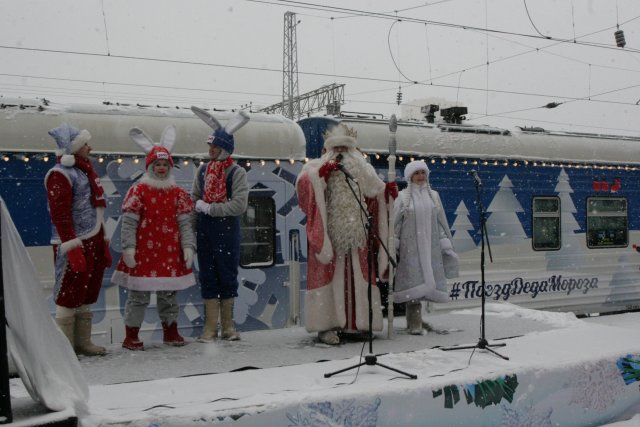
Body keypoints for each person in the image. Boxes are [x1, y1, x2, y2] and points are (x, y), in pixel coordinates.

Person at [295, 123, 398, 345]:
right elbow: (304, 191)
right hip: (329, 237)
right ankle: (327, 327)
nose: (340, 153)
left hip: (356, 236)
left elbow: (375, 194)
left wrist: (386, 194)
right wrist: (320, 176)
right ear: (328, 149)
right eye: (336, 149)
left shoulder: (363, 169)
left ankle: (359, 324)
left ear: (352, 150)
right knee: (330, 280)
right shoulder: (314, 168)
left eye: (345, 149)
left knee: (358, 277)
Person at [111, 126, 196, 350]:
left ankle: (170, 331)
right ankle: (131, 335)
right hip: (143, 253)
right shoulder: (138, 191)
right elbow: (129, 222)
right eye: (157, 164)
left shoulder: (178, 194)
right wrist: (128, 248)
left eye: (164, 164)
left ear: (170, 166)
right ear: (150, 166)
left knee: (168, 295)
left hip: (169, 253)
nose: (161, 168)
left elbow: (185, 224)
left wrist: (188, 247)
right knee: (138, 296)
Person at [44, 122, 112, 356]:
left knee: (86, 290)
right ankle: (65, 349)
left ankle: (82, 342)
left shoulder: (84, 171)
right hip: (73, 241)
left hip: (91, 237)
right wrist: (71, 246)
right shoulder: (59, 174)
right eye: (85, 144)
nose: (90, 148)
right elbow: (60, 214)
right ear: (74, 148)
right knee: (69, 291)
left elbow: (95, 208)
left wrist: (102, 240)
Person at [191, 107, 250, 342]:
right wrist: (196, 221)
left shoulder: (236, 172)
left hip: (227, 230)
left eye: (215, 146)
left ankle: (228, 326)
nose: (211, 150)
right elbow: (194, 198)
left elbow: (239, 205)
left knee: (227, 275)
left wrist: (211, 208)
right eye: (210, 146)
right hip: (205, 231)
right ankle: (209, 327)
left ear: (225, 148)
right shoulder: (203, 170)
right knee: (207, 275)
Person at [393, 160, 459, 335]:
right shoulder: (402, 197)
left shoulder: (434, 196)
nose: (420, 176)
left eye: (423, 172)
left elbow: (440, 222)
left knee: (426, 281)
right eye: (417, 173)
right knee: (413, 281)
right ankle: (414, 321)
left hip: (430, 247)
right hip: (411, 248)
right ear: (410, 176)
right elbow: (395, 224)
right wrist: (394, 244)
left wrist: (445, 243)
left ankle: (417, 319)